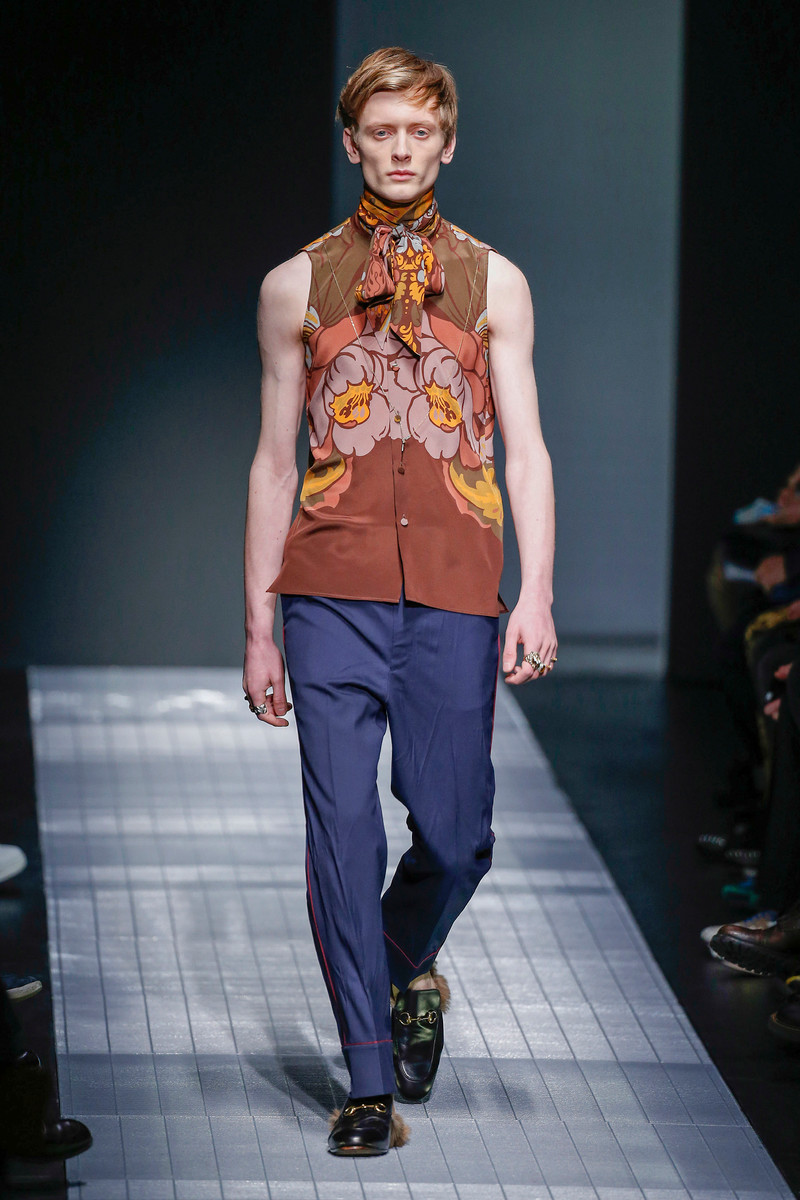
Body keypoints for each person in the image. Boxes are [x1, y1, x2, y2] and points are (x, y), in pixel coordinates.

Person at [242, 47, 556, 1156]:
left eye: (419, 131)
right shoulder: (296, 284)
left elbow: (525, 451)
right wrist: (257, 625)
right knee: (340, 836)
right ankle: (366, 1083)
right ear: (352, 142)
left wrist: (536, 593)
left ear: (448, 143)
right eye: (381, 131)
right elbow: (273, 462)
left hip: (458, 592)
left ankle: (398, 966)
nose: (401, 149)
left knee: (459, 836)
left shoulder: (495, 282)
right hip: (328, 590)